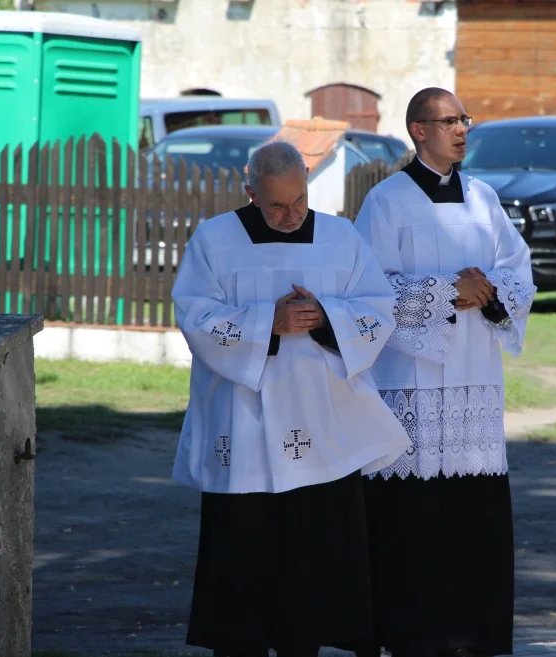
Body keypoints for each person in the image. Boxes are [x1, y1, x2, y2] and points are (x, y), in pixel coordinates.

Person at [171, 141, 411, 657]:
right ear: (249, 190)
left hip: (321, 423)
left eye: (299, 200)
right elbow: (194, 316)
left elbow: (377, 307)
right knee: (245, 556)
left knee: (316, 553)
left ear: (307, 181)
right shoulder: (215, 240)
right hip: (245, 422)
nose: (291, 214)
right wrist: (268, 323)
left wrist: (327, 316)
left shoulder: (341, 237)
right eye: (277, 204)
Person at [353, 87, 537, 657]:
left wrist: (489, 290)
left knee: (469, 516)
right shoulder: (384, 204)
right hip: (407, 382)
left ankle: (470, 633)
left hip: (473, 380)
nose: (461, 129)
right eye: (448, 121)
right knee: (412, 522)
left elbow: (519, 273)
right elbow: (366, 293)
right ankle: (407, 633)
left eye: (464, 120)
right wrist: (443, 291)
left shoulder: (484, 199)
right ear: (418, 130)